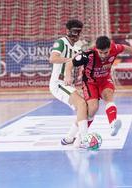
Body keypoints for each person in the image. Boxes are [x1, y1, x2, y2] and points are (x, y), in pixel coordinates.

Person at [64, 36, 132, 137]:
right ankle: (74, 135)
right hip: (90, 82)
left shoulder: (115, 48)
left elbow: (126, 48)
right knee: (92, 109)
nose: (103, 55)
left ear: (110, 48)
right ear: (96, 49)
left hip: (105, 80)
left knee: (108, 95)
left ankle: (112, 124)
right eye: (100, 52)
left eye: (106, 52)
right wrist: (68, 76)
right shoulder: (88, 54)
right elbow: (70, 63)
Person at [49, 19, 88, 147]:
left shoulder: (76, 47)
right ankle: (84, 139)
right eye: (74, 31)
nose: (76, 35)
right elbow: (53, 58)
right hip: (58, 83)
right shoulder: (61, 42)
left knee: (83, 109)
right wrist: (71, 59)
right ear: (68, 31)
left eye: (79, 32)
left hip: (67, 84)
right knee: (82, 104)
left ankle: (69, 138)